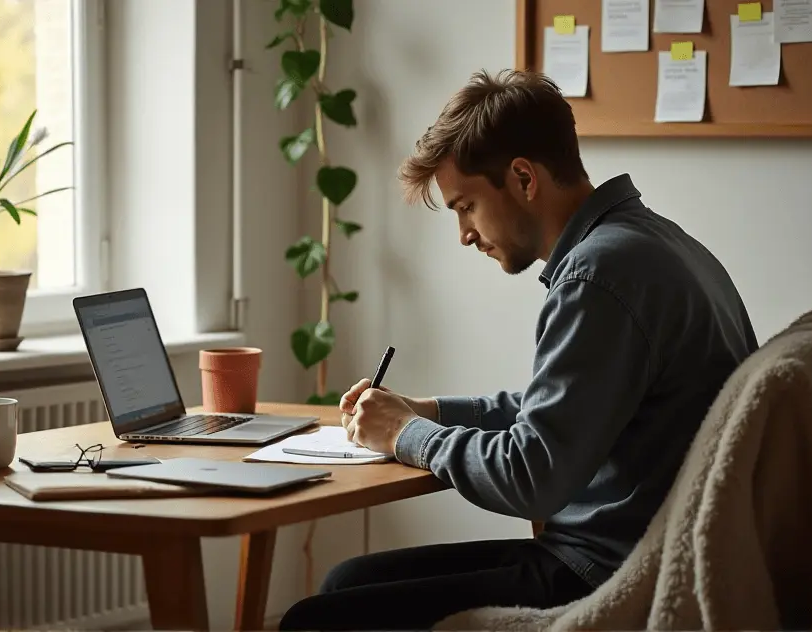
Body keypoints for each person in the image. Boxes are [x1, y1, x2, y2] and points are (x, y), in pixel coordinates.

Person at [277, 68, 759, 631]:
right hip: (629, 544)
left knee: (315, 619)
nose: (464, 233)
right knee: (346, 583)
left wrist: (406, 436)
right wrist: (428, 412)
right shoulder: (652, 242)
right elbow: (563, 410)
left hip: (608, 571)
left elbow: (531, 475)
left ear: (524, 178)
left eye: (465, 206)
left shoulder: (598, 276)